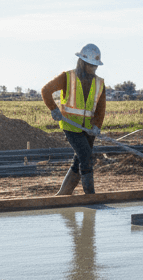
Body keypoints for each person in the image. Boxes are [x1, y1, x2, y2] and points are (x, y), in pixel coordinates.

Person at [42, 43, 106, 195]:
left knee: (79, 161)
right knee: (86, 157)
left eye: (95, 66)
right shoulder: (67, 77)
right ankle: (90, 196)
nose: (93, 69)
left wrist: (97, 125)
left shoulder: (99, 83)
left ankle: (63, 194)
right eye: (90, 65)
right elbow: (46, 90)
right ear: (82, 63)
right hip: (71, 126)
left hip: (89, 130)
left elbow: (100, 108)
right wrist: (53, 109)